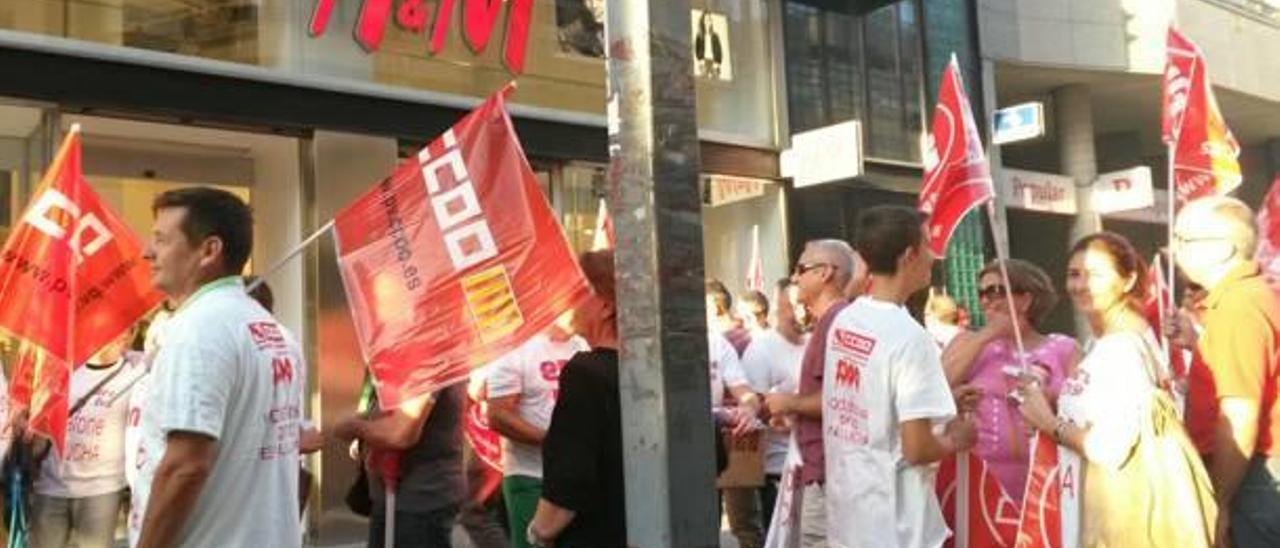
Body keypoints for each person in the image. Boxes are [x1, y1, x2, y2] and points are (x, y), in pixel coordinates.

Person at [132, 187, 304, 548]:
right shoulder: (274, 331)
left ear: (209, 251)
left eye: (162, 240)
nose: (147, 252)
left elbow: (185, 467)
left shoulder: (199, 329)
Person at [1018, 231, 1214, 547]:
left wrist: (1047, 421)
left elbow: (1108, 448)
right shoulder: (1105, 341)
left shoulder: (1121, 348)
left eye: (1095, 274)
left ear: (1128, 279)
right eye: (1074, 274)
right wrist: (1054, 402)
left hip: (1120, 516)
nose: (1081, 285)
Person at [820, 206, 975, 548]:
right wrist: (957, 438)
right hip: (896, 526)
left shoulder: (845, 322)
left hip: (849, 516)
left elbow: (871, 402)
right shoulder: (910, 337)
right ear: (909, 255)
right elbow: (917, 448)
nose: (934, 256)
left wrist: (943, 404)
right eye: (927, 244)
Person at [1174, 196, 1280, 547]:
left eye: (1184, 239)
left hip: (1255, 478)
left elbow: (1239, 416)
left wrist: (1218, 502)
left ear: (1221, 249)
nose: (1176, 249)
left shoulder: (1239, 304)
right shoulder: (1244, 298)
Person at [941, 259, 1079, 500]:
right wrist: (989, 334)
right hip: (982, 483)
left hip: (1046, 480)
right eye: (982, 293)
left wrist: (1049, 401)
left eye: (995, 292)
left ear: (1026, 300)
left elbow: (1082, 407)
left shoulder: (1064, 348)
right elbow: (936, 387)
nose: (986, 301)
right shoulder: (968, 342)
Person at [763, 239, 863, 548]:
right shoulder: (831, 321)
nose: (794, 278)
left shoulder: (837, 321)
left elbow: (842, 399)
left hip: (828, 474)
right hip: (822, 468)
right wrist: (796, 416)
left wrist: (787, 402)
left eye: (801, 269)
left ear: (826, 273)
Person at [527, 251, 625, 547]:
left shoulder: (586, 374)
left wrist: (539, 530)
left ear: (606, 306)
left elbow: (570, 478)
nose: (566, 302)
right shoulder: (667, 371)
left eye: (577, 292)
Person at [29, 328, 145, 548]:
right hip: (51, 484)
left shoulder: (138, 368)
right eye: (111, 330)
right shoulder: (63, 366)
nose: (118, 337)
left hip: (102, 489)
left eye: (126, 332)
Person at [486, 316, 589, 548]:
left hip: (579, 474)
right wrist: (552, 441)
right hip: (531, 476)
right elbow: (497, 415)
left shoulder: (585, 343)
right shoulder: (516, 347)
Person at [334, 381, 466, 547]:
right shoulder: (400, 365)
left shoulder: (427, 364)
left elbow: (401, 433)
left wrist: (356, 427)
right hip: (394, 495)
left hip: (419, 499)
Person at [705, 279, 765, 548]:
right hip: (682, 440)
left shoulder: (718, 344)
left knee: (746, 522)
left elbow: (745, 392)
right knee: (701, 520)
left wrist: (748, 410)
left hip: (723, 438)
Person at [748, 279, 808, 526]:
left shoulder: (816, 341)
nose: (800, 313)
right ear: (777, 307)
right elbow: (753, 412)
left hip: (814, 467)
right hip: (777, 470)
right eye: (792, 306)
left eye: (803, 304)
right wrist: (782, 413)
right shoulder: (761, 349)